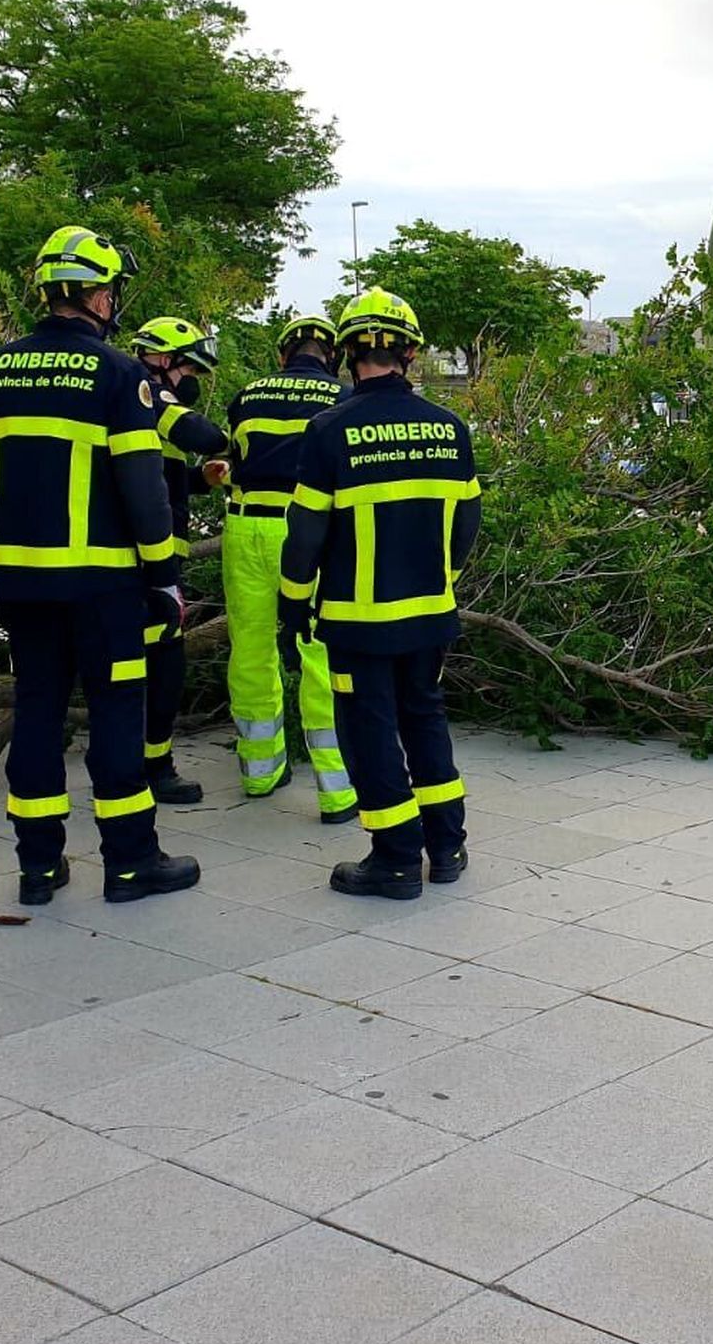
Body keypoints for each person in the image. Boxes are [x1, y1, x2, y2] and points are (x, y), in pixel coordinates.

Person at [0, 227, 200, 905]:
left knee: (37, 709)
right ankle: (130, 865)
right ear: (96, 293)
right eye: (111, 288)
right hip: (106, 590)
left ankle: (38, 867)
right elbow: (144, 491)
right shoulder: (121, 375)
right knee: (118, 714)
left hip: (22, 585)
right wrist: (160, 576)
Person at [279, 287, 481, 899]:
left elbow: (305, 532)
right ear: (411, 355)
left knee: (370, 733)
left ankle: (394, 859)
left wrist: (293, 603)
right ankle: (447, 846)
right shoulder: (450, 428)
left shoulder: (328, 430)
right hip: (429, 613)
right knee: (425, 718)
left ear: (346, 354)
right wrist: (439, 580)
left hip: (356, 622)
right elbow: (466, 524)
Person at [220, 316, 358, 819]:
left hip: (246, 529)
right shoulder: (342, 400)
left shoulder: (247, 397)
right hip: (308, 530)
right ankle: (337, 788)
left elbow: (233, 459)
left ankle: (260, 771)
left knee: (251, 650)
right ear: (333, 356)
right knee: (321, 652)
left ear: (284, 354)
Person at [131, 317, 230, 806]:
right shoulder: (148, 391)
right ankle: (155, 766)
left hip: (132, 555)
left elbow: (154, 473)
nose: (193, 380)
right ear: (166, 360)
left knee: (134, 661)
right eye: (191, 367)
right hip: (152, 561)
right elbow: (201, 432)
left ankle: (133, 761)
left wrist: (199, 481)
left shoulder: (129, 396)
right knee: (164, 662)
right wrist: (237, 445)